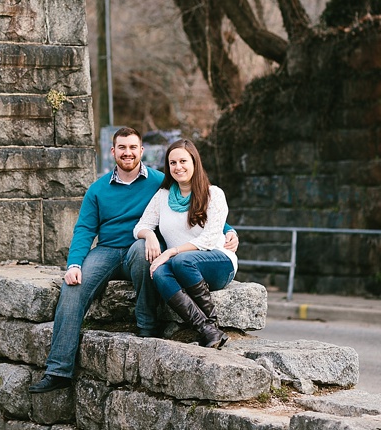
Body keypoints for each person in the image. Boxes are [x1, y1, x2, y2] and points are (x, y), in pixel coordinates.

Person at [28, 128, 238, 393]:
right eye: (122, 148)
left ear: (141, 151)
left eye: (133, 147)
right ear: (113, 151)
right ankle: (58, 371)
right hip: (106, 251)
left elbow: (196, 203)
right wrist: (74, 265)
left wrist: (228, 230)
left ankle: (147, 327)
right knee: (73, 288)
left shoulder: (160, 181)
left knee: (142, 251)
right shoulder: (98, 189)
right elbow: (84, 230)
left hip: (139, 251)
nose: (128, 153)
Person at [134, 139, 238, 350]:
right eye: (172, 163)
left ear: (194, 162)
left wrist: (171, 252)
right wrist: (150, 236)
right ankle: (208, 330)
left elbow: (209, 239)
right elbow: (140, 227)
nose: (178, 167)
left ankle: (212, 323)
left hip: (218, 262)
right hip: (181, 265)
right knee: (159, 272)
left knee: (181, 261)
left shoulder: (213, 194)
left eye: (183, 161)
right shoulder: (162, 196)